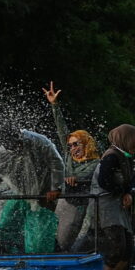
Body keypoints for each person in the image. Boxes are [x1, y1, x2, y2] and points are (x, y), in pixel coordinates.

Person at [0, 128, 64, 254]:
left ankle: (40, 257)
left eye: (17, 145)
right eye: (12, 147)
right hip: (19, 194)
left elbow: (56, 163)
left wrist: (55, 188)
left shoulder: (39, 141)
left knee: (39, 232)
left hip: (43, 194)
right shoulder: (4, 152)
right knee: (5, 224)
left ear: (20, 138)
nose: (16, 149)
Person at [42, 82, 101, 250]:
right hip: (62, 201)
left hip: (78, 204)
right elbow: (62, 130)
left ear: (85, 144)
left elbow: (86, 177)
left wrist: (73, 178)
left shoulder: (96, 162)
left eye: (76, 144)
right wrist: (54, 105)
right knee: (48, 238)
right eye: (70, 145)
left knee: (63, 241)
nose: (73, 148)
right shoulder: (69, 156)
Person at [90, 123, 135, 270]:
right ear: (126, 138)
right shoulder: (111, 157)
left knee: (127, 251)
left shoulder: (126, 157)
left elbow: (131, 180)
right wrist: (122, 192)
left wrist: (128, 192)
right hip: (107, 207)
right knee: (116, 249)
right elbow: (105, 181)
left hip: (119, 208)